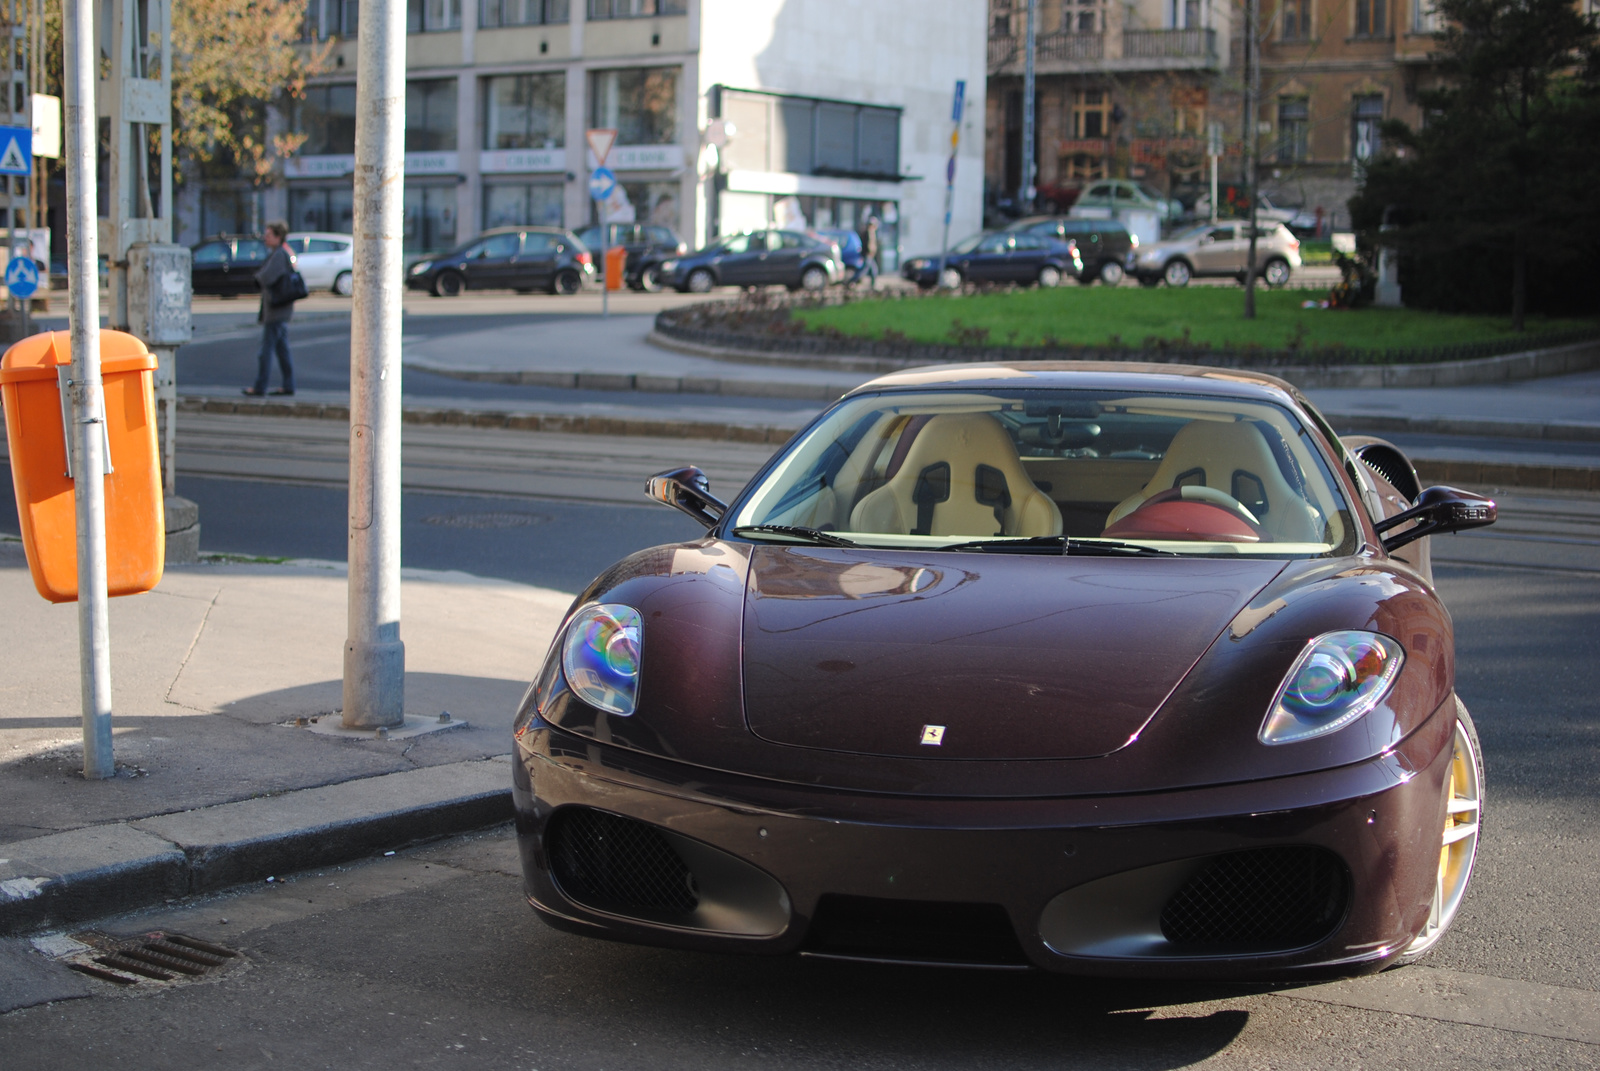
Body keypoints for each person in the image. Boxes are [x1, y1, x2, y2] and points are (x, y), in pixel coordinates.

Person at [244, 221, 297, 397]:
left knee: (265, 352)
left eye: (268, 235)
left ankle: (260, 387)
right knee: (282, 351)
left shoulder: (279, 255)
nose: (265, 238)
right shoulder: (280, 253)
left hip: (276, 309)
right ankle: (288, 385)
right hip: (280, 309)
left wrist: (255, 279)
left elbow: (266, 276)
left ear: (278, 236)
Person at [850, 216, 880, 289]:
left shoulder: (872, 233)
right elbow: (867, 244)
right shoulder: (867, 233)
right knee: (866, 270)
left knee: (871, 270)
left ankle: (871, 285)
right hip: (868, 254)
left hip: (871, 255)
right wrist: (868, 252)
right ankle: (854, 281)